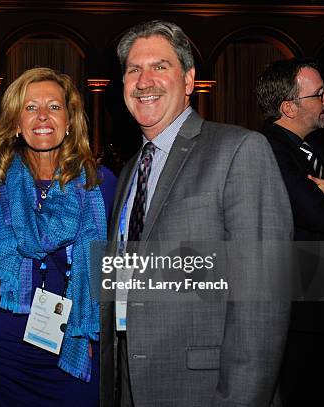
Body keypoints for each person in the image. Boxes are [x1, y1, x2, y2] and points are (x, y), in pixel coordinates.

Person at [100, 20, 293, 406]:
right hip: (132, 384)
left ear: (189, 80)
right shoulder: (128, 173)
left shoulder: (239, 150)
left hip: (205, 391)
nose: (144, 80)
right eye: (133, 70)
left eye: (160, 66)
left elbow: (262, 298)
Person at [0, 67, 116, 407]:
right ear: (15, 123)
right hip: (10, 349)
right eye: (30, 108)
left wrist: (99, 332)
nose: (43, 116)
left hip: (77, 342)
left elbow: (117, 274)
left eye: (54, 107)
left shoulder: (99, 185)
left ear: (70, 121)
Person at [256, 58, 324, 406]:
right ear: (289, 107)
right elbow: (317, 215)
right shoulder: (269, 150)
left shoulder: (319, 148)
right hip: (305, 309)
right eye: (319, 94)